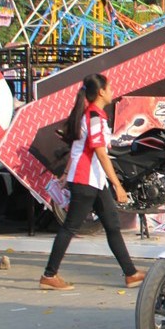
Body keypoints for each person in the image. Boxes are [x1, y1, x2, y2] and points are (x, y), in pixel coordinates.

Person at [40, 74, 146, 291]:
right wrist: (117, 185)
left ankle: (131, 273)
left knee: (112, 225)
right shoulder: (94, 117)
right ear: (101, 92)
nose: (112, 91)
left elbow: (77, 147)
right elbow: (100, 153)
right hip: (86, 180)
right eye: (109, 88)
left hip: (94, 180)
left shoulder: (91, 115)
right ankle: (49, 275)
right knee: (70, 227)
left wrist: (66, 173)